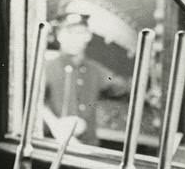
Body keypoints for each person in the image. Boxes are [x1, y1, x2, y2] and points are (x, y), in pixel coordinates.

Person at [42, 8, 128, 147]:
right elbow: (33, 104)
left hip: (89, 148)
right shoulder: (47, 68)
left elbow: (120, 87)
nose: (75, 38)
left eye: (80, 32)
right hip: (53, 149)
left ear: (88, 36)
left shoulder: (95, 70)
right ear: (59, 35)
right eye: (69, 32)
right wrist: (55, 124)